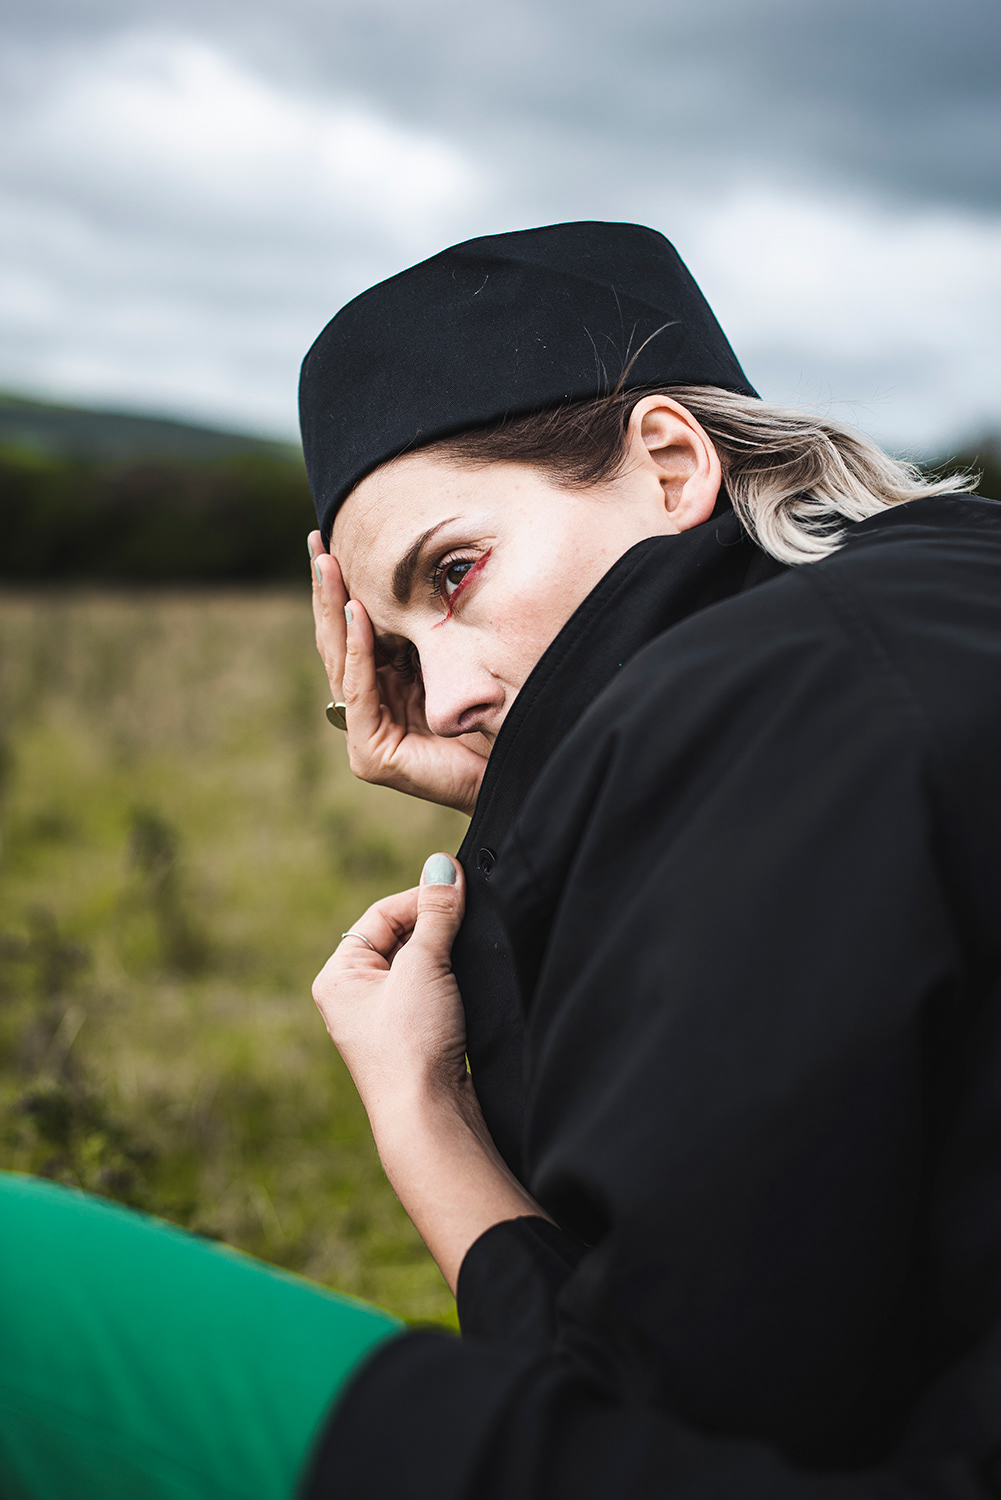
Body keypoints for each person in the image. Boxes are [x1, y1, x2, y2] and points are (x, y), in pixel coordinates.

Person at [3, 220, 1000, 1500]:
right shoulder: (921, 619)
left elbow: (655, 1415)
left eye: (455, 573)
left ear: (669, 463)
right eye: (397, 655)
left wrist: (421, 1112)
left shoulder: (774, 696)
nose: (448, 696)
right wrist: (543, 789)